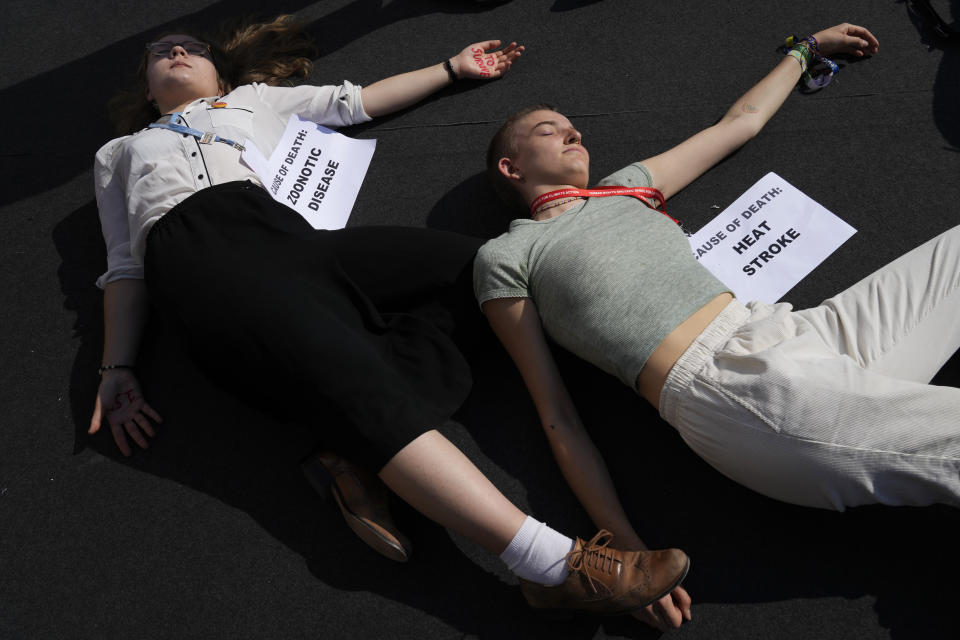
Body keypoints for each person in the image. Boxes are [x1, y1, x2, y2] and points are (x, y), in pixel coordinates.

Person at [87, 15, 690, 620]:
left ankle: (353, 446)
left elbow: (356, 102)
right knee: (352, 374)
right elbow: (124, 267)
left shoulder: (252, 102)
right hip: (201, 260)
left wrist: (453, 68)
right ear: (146, 87)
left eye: (191, 46)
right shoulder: (117, 155)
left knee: (479, 270)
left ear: (218, 71)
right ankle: (557, 566)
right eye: (162, 52)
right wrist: (117, 366)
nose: (177, 50)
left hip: (282, 237)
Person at [478, 22, 960, 630]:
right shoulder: (508, 256)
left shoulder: (625, 189)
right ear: (511, 165)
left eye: (571, 124)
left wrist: (804, 51)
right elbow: (556, 414)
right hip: (736, 393)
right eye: (548, 130)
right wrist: (628, 554)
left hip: (795, 332)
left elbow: (738, 126)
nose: (573, 131)